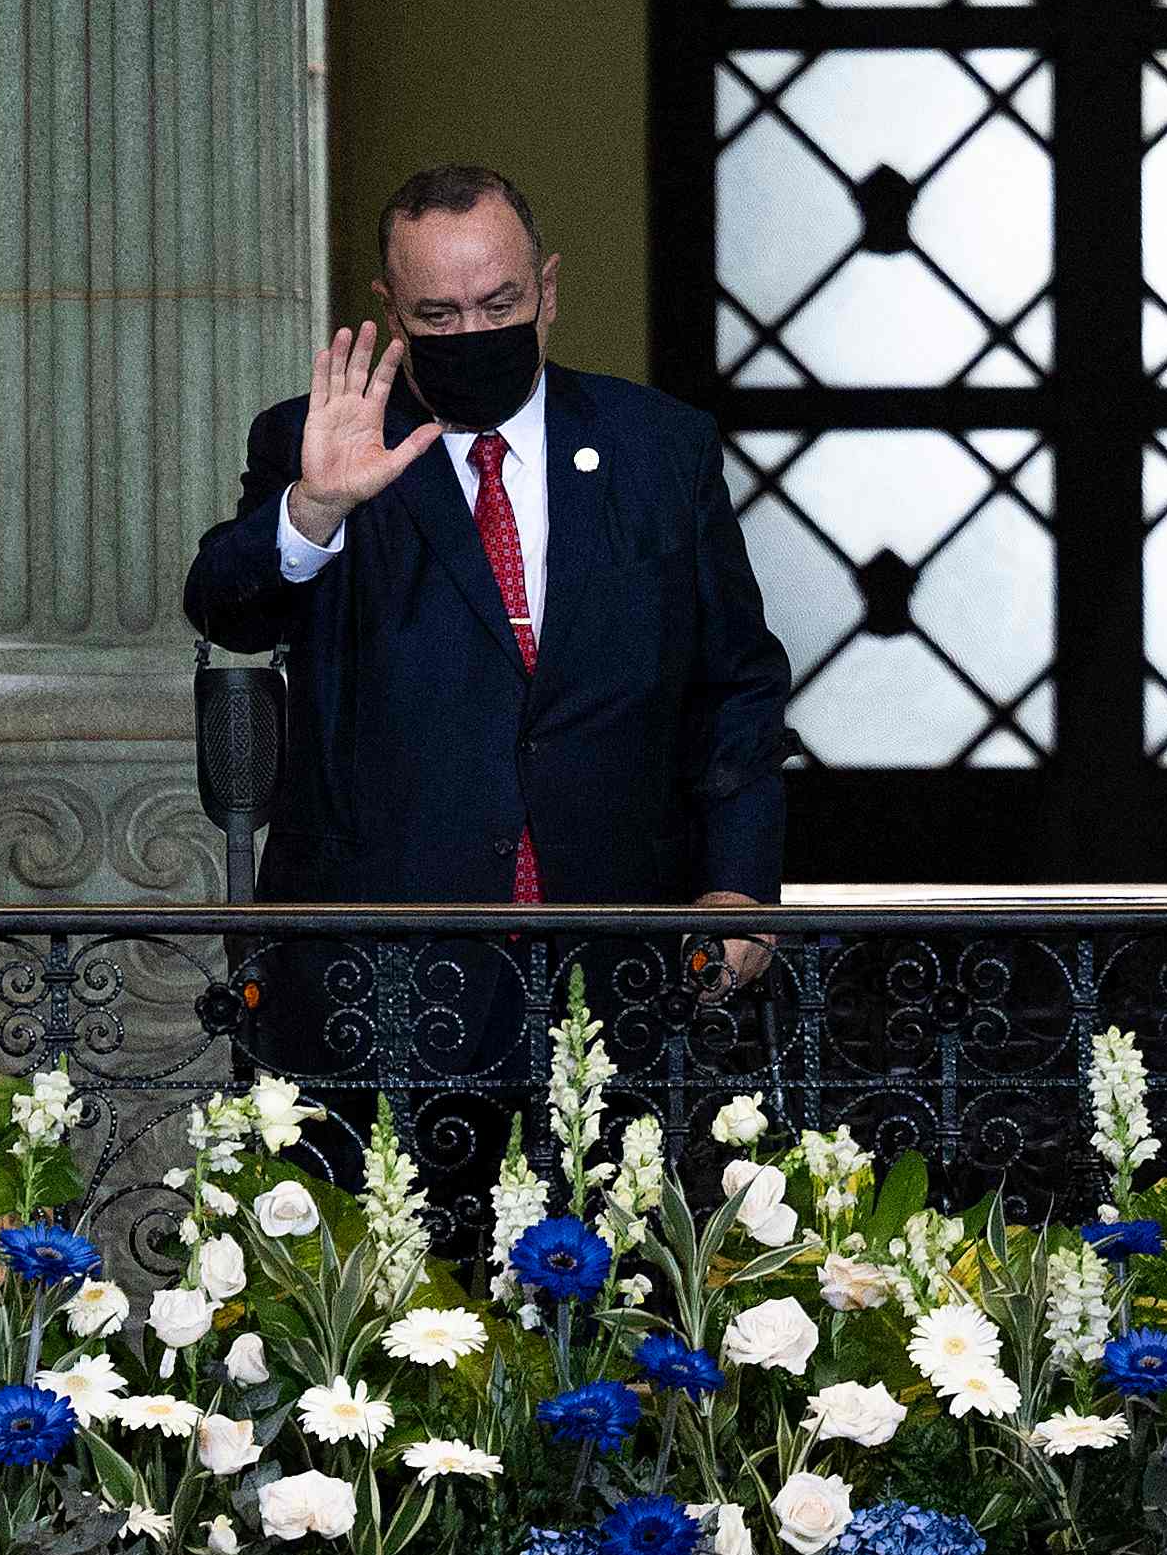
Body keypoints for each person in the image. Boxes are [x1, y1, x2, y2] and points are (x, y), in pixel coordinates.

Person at [185, 164, 793, 1123]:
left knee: (607, 1265)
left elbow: (737, 684)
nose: (472, 334)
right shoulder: (318, 443)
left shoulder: (658, 447)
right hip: (376, 985)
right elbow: (227, 608)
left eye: (498, 303)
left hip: (620, 971)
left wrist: (740, 886)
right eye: (439, 314)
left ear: (547, 291)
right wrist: (315, 508)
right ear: (391, 308)